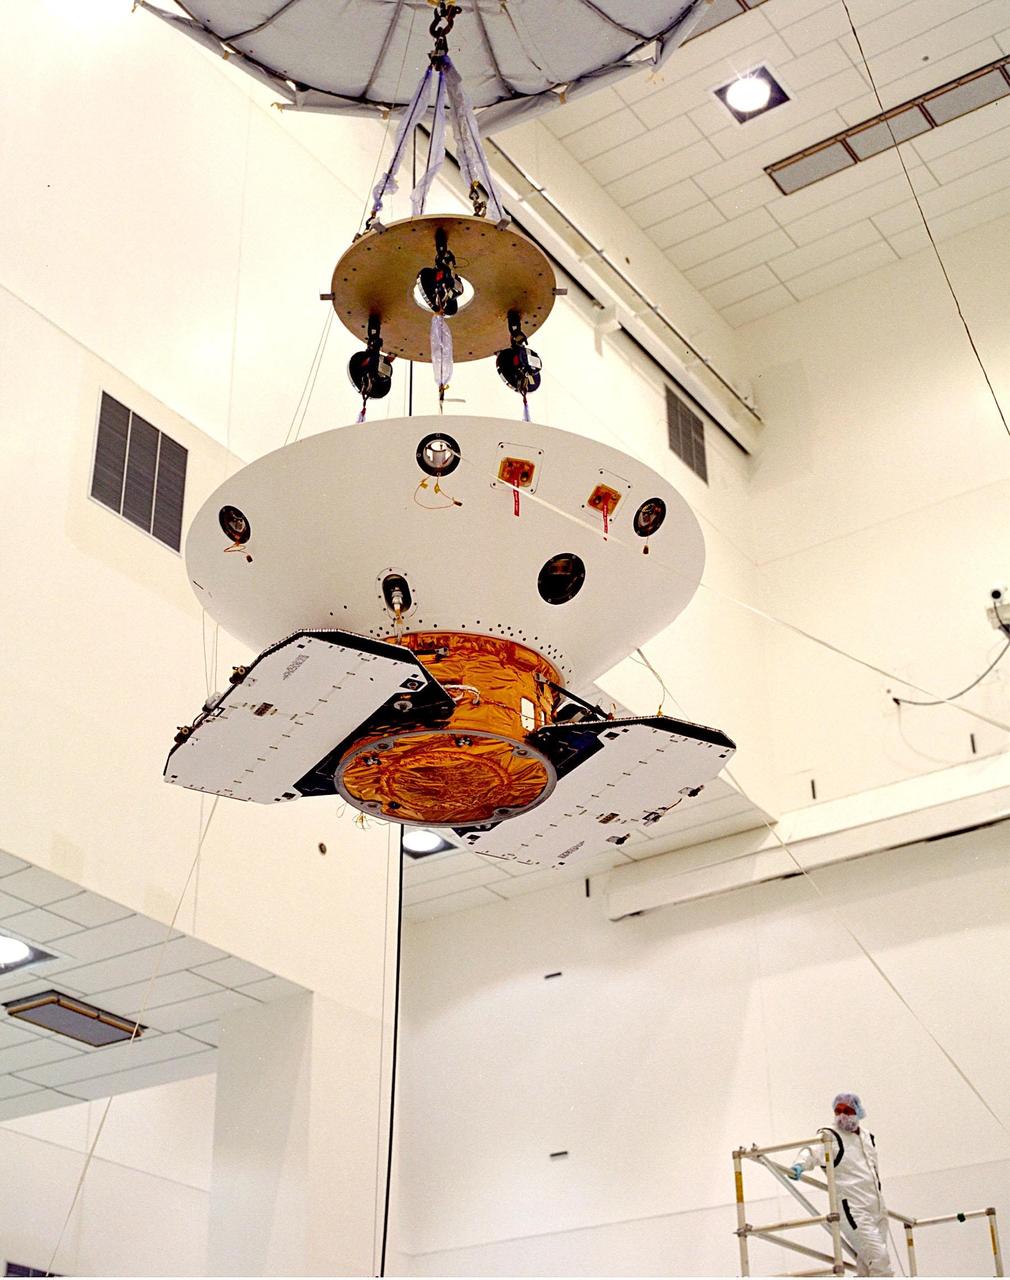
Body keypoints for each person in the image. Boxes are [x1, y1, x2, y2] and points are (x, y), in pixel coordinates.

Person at [788, 1092, 893, 1277]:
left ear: (858, 1112)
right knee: (879, 1259)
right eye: (838, 1111)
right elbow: (812, 1151)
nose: (842, 1115)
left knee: (867, 1265)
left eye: (847, 1110)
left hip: (877, 1209)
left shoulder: (868, 1137)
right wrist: (799, 1164)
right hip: (853, 1210)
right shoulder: (830, 1135)